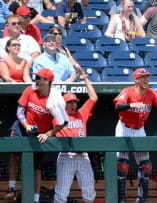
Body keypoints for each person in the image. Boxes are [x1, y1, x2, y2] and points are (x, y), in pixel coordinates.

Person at [5, 68, 68, 202]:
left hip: (40, 133)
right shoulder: (30, 90)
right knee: (14, 154)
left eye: (39, 78)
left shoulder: (54, 99)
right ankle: (11, 188)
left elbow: (63, 123)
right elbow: (20, 110)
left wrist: (48, 134)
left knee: (36, 167)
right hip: (23, 127)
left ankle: (35, 199)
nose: (36, 80)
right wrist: (26, 125)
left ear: (47, 81)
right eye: (36, 77)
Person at [113, 68, 157, 203]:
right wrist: (131, 105)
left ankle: (141, 199)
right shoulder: (127, 91)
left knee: (146, 166)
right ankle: (121, 199)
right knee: (122, 165)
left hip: (140, 129)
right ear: (136, 80)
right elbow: (118, 106)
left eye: (147, 77)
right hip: (124, 128)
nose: (146, 79)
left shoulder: (151, 93)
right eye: (143, 77)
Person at [53, 67, 98, 203]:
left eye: (74, 102)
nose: (73, 105)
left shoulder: (81, 113)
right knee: (61, 194)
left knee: (89, 193)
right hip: (67, 156)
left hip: (83, 156)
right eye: (70, 102)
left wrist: (85, 79)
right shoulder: (58, 114)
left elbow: (93, 97)